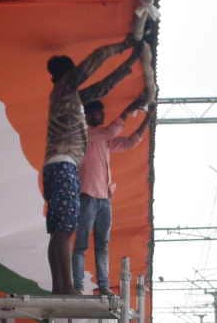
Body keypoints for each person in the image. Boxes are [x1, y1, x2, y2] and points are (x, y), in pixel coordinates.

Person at [42, 37, 137, 294]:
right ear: (68, 75)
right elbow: (93, 62)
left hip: (58, 166)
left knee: (61, 229)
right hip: (63, 166)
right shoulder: (64, 89)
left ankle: (60, 286)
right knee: (65, 228)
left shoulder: (69, 97)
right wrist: (123, 46)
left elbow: (102, 88)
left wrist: (129, 64)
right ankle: (65, 287)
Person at [73, 82, 152, 296]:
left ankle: (104, 286)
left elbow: (129, 142)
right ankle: (79, 286)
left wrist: (146, 120)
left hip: (103, 198)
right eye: (96, 113)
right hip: (89, 195)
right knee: (83, 244)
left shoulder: (102, 140)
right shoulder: (87, 135)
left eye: (101, 112)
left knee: (101, 245)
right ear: (88, 116)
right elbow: (114, 130)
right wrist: (133, 107)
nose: (100, 115)